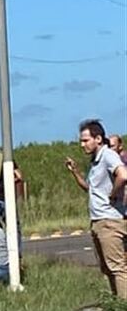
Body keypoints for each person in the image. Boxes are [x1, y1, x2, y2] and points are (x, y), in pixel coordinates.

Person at [65, 119, 127, 298]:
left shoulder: (108, 155)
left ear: (98, 139)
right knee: (107, 268)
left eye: (85, 140)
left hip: (110, 220)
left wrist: (114, 194)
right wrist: (75, 172)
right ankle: (116, 306)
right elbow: (92, 190)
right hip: (98, 220)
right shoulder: (96, 162)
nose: (82, 144)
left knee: (117, 269)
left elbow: (123, 175)